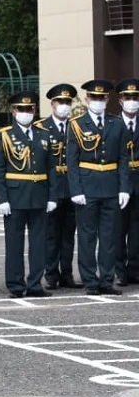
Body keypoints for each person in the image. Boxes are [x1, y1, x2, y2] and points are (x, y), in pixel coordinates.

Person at [66, 79, 130, 295]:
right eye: (94, 97)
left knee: (109, 237)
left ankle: (107, 279)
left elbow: (123, 158)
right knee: (87, 237)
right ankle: (90, 280)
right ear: (87, 99)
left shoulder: (116, 124)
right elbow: (72, 161)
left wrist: (124, 188)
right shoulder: (76, 125)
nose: (98, 101)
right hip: (87, 186)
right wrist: (75, 190)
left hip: (111, 186)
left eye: (102, 98)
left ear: (108, 99)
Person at [0, 92, 57, 297]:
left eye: (30, 109)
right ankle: (16, 285)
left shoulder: (43, 134)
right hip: (15, 198)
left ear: (35, 111)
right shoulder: (4, 135)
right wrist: (2, 199)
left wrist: (52, 196)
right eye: (22, 109)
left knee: (38, 244)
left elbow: (52, 169)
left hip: (39, 196)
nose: (26, 113)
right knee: (14, 244)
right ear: (14, 111)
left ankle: (35, 284)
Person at [35, 84, 81, 289]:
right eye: (61, 102)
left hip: (72, 186)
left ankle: (67, 273)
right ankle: (51, 274)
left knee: (69, 233)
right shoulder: (41, 127)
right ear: (52, 104)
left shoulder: (76, 126)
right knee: (51, 233)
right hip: (51, 187)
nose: (64, 106)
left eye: (68, 102)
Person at [115, 79, 139, 285]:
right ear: (120, 100)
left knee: (137, 230)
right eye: (128, 97)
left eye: (135, 97)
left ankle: (135, 269)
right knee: (118, 229)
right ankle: (119, 271)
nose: (132, 101)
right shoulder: (113, 124)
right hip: (119, 183)